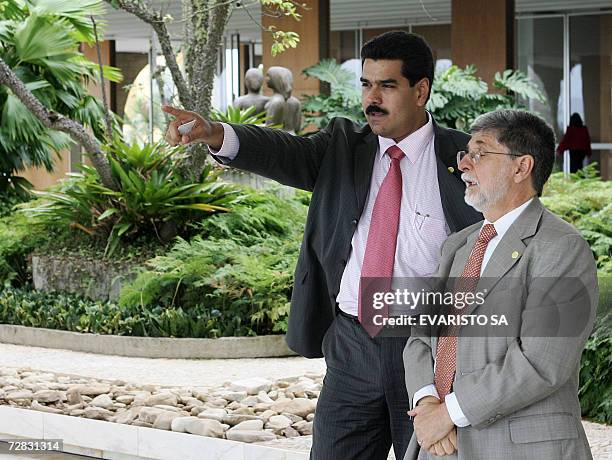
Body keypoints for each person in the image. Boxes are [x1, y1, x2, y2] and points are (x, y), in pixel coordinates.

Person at [163, 31, 481, 460]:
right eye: (366, 84)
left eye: (387, 86)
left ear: (421, 90)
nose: (372, 98)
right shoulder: (343, 146)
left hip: (427, 348)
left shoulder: (467, 158)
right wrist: (215, 133)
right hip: (352, 343)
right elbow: (284, 152)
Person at [403, 109, 598, 460]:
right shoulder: (457, 246)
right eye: (465, 154)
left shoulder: (562, 248)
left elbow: (541, 363)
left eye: (478, 154)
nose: (464, 165)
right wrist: (427, 402)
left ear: (521, 167)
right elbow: (420, 337)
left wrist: (447, 414)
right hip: (437, 446)